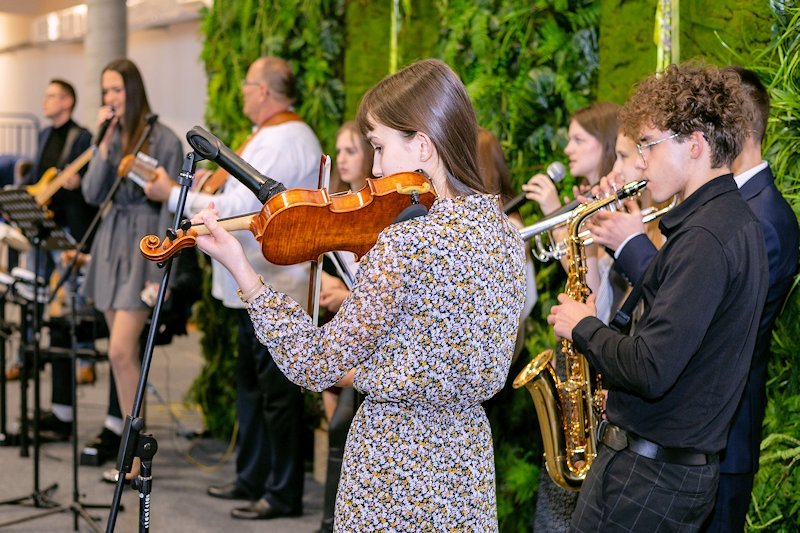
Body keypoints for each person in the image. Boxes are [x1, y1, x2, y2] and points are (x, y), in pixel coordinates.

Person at [193, 58, 525, 530]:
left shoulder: (408, 243)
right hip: (466, 463)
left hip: (393, 464)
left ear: (424, 147)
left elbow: (315, 362)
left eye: (379, 146)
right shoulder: (506, 235)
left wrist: (241, 268)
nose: (375, 166)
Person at [547, 62, 768, 531]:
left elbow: (650, 368)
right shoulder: (726, 223)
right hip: (657, 469)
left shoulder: (707, 236)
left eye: (649, 145)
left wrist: (583, 325)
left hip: (650, 476)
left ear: (695, 144)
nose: (642, 161)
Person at [145, 55, 321, 520]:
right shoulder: (273, 133)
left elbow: (239, 210)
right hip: (256, 287)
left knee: (276, 396)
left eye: (247, 84)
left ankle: (282, 491)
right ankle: (252, 477)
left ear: (264, 91)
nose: (243, 92)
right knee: (252, 388)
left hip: (275, 285)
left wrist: (175, 197)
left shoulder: (286, 137)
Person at [81, 58, 183, 481]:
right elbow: (90, 193)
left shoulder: (162, 138)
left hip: (145, 244)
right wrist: (103, 146)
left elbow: (172, 206)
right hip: (110, 243)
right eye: (106, 91)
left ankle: (136, 457)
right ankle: (134, 452)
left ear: (134, 92)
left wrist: (161, 271)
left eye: (117, 91)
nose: (111, 99)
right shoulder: (110, 137)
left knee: (122, 351)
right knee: (124, 357)